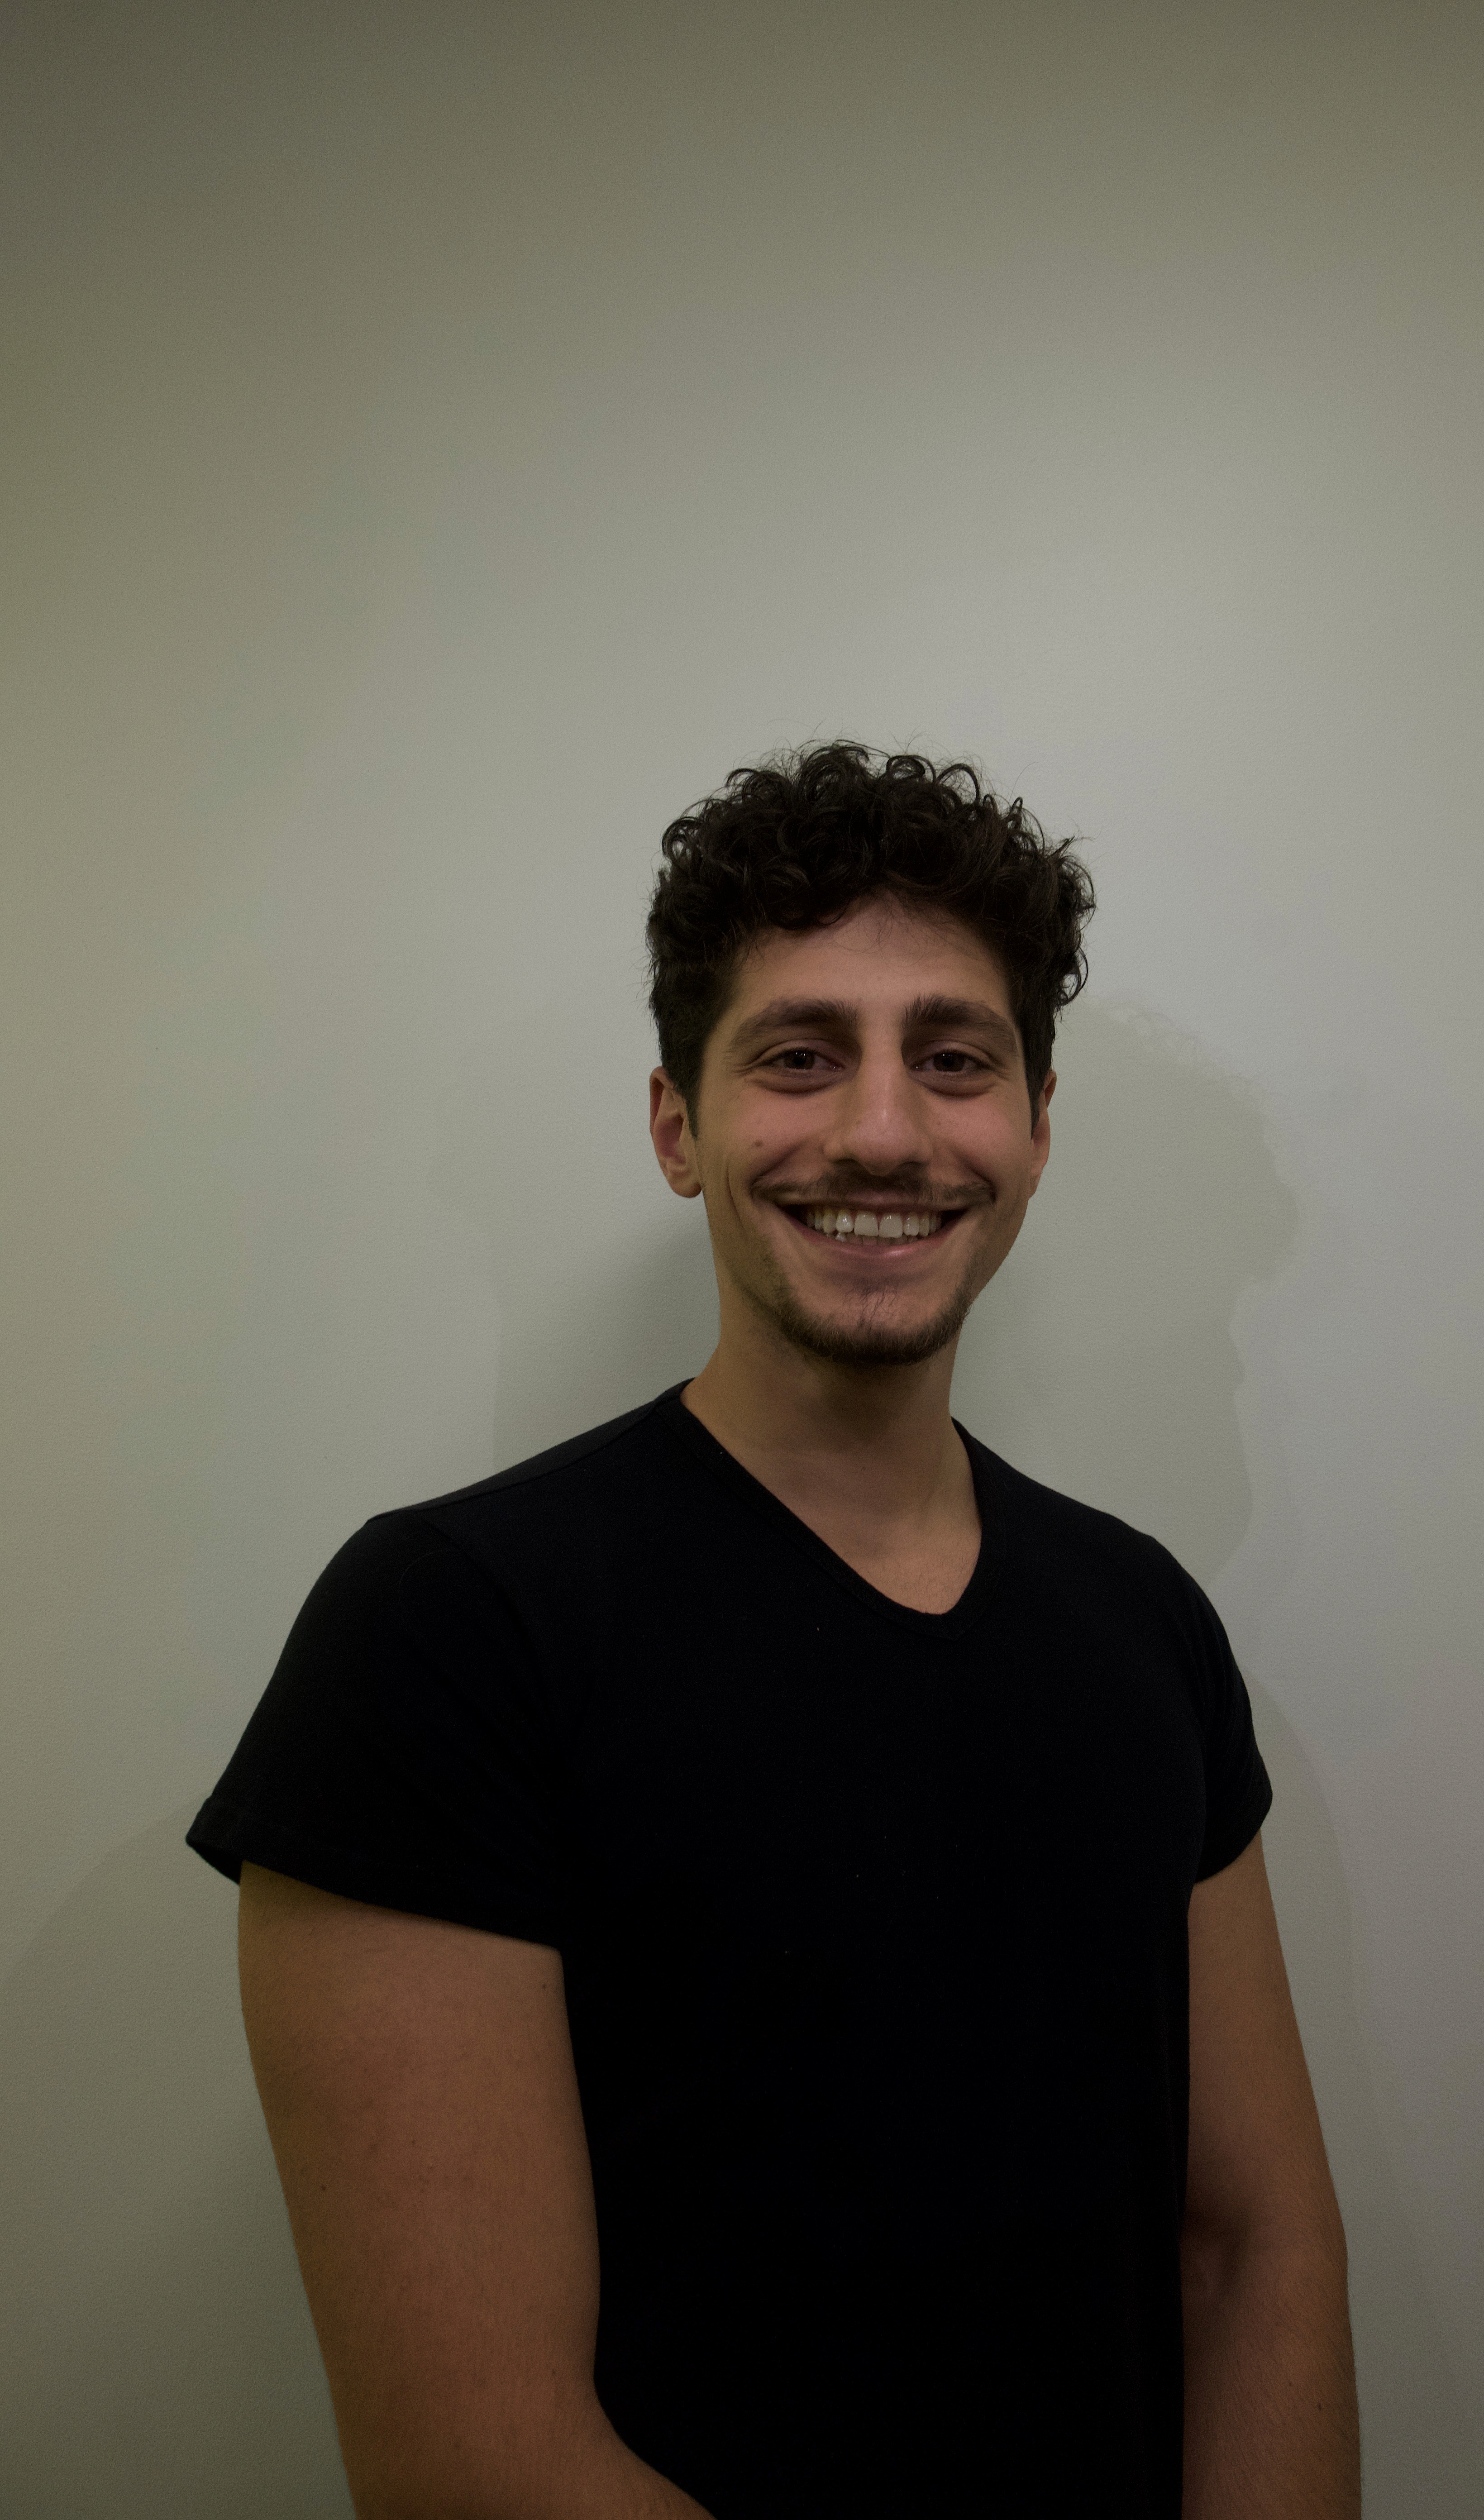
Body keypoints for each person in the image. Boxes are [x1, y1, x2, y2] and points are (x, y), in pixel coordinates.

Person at [189, 742, 1359, 2520]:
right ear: (679, 1126)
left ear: (1036, 1129)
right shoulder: (446, 1635)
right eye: (800, 1056)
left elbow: (1252, 2250)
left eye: (953, 1060)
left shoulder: (1143, 1623)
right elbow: (475, 2465)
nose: (883, 1132)